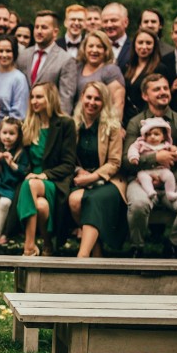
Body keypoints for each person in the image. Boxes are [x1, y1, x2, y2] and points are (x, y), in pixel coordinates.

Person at [122, 74, 177, 258]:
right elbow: (126, 161)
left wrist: (168, 179)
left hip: (175, 179)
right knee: (139, 204)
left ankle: (173, 244)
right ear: (145, 96)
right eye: (156, 89)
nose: (163, 92)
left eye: (165, 88)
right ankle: (137, 247)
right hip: (141, 178)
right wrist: (155, 158)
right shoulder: (136, 123)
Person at [8, 82, 76, 256]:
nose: (34, 101)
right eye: (32, 97)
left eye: (39, 97)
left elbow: (68, 164)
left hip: (55, 181)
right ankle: (47, 244)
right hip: (31, 182)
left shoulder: (66, 124)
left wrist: (44, 175)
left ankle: (29, 246)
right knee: (40, 206)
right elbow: (25, 162)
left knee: (31, 183)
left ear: (50, 99)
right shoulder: (29, 125)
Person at [68, 81, 127, 257]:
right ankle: (97, 250)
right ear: (82, 98)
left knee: (93, 200)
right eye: (89, 97)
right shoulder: (73, 125)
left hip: (108, 180)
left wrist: (93, 176)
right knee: (75, 200)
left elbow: (115, 162)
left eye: (97, 99)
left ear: (104, 102)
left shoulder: (113, 126)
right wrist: (78, 171)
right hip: (81, 178)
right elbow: (67, 158)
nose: (92, 102)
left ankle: (83, 256)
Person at [17, 10, 78, 114]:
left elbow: (66, 99)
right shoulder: (23, 55)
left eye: (44, 27)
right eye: (37, 27)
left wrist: (61, 122)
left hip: (50, 117)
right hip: (24, 117)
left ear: (55, 32)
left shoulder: (66, 60)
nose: (39, 31)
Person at [0, 117, 28, 253]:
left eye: (12, 133)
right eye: (4, 133)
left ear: (18, 135)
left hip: (11, 188)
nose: (7, 137)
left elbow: (24, 173)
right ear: (0, 133)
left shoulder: (21, 152)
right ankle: (3, 233)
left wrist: (12, 164)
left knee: (4, 203)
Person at [127, 117, 177, 202]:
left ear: (163, 137)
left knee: (170, 176)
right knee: (142, 176)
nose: (152, 137)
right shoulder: (141, 143)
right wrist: (133, 157)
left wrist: (176, 152)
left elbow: (175, 153)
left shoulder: (166, 145)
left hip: (162, 169)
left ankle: (170, 192)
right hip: (146, 170)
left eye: (156, 134)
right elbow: (132, 148)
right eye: (148, 134)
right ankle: (150, 191)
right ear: (144, 136)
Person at [76, 30, 126, 118]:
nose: (94, 50)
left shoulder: (111, 70)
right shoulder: (78, 67)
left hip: (102, 122)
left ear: (106, 50)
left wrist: (114, 124)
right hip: (78, 120)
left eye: (99, 46)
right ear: (84, 48)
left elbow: (118, 103)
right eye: (91, 46)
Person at [124, 28, 167, 126]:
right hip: (126, 120)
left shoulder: (160, 68)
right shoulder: (127, 67)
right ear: (134, 44)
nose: (144, 47)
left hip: (147, 122)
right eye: (140, 42)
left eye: (148, 43)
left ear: (154, 46)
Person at [0, 34, 29, 122]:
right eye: (0, 51)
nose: (4, 55)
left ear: (14, 53)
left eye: (8, 51)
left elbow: (19, 114)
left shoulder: (19, 79)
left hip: (8, 128)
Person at [100, 2, 131, 71]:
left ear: (126, 22)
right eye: (105, 21)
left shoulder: (135, 48)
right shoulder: (97, 47)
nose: (109, 25)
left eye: (113, 20)